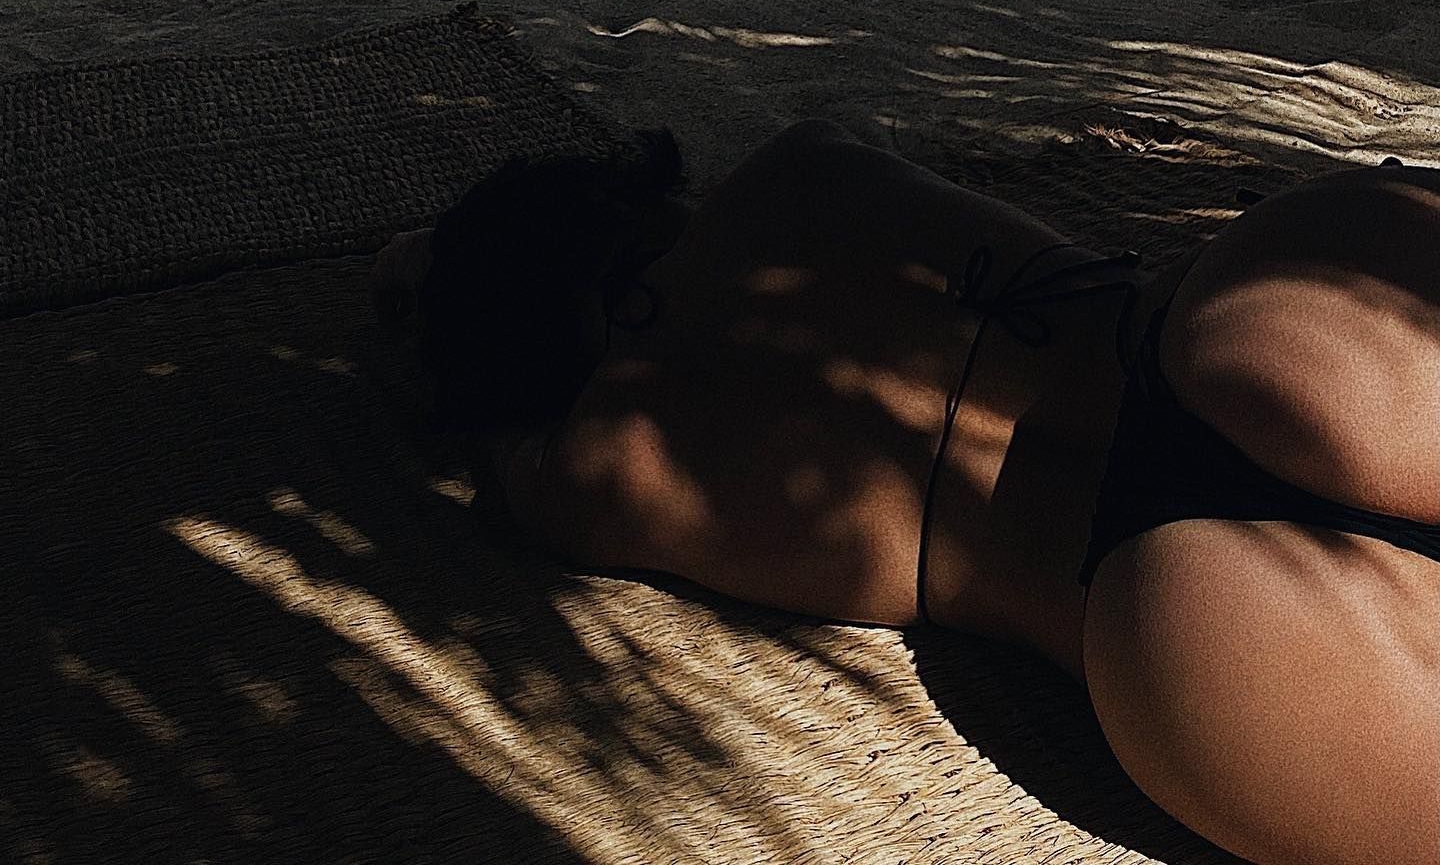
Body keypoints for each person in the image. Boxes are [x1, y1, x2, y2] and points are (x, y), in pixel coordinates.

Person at [371, 120, 1440, 865]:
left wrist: (454, 315)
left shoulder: (589, 472)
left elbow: (443, 407)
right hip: (1247, 316)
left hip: (1156, 617)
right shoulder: (801, 163)